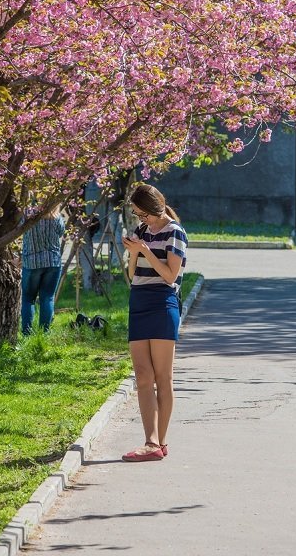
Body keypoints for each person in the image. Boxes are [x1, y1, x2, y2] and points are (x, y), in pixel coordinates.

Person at [121, 183, 188, 462]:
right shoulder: (141, 231)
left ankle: (160, 442)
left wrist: (145, 250)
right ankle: (150, 442)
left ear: (155, 208)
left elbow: (170, 276)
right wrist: (134, 253)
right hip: (139, 301)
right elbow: (131, 275)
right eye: (137, 215)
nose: (141, 220)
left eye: (143, 214)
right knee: (143, 376)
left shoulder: (175, 232)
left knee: (163, 377)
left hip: (163, 302)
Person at [21, 205, 65, 334]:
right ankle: (44, 333)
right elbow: (61, 232)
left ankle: (27, 333)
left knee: (28, 299)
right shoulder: (56, 216)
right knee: (48, 298)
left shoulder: (27, 214)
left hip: (32, 262)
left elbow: (18, 230)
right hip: (53, 262)